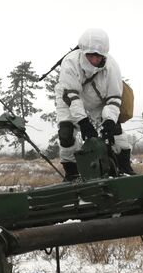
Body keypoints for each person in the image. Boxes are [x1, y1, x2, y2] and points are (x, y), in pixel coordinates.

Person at [54, 28, 134, 180]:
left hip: (99, 99)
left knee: (114, 130)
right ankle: (72, 172)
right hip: (69, 97)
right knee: (66, 133)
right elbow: (72, 96)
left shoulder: (112, 67)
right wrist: (84, 123)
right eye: (90, 55)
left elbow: (114, 98)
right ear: (83, 52)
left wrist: (109, 120)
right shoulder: (70, 63)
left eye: (98, 56)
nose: (94, 60)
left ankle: (124, 166)